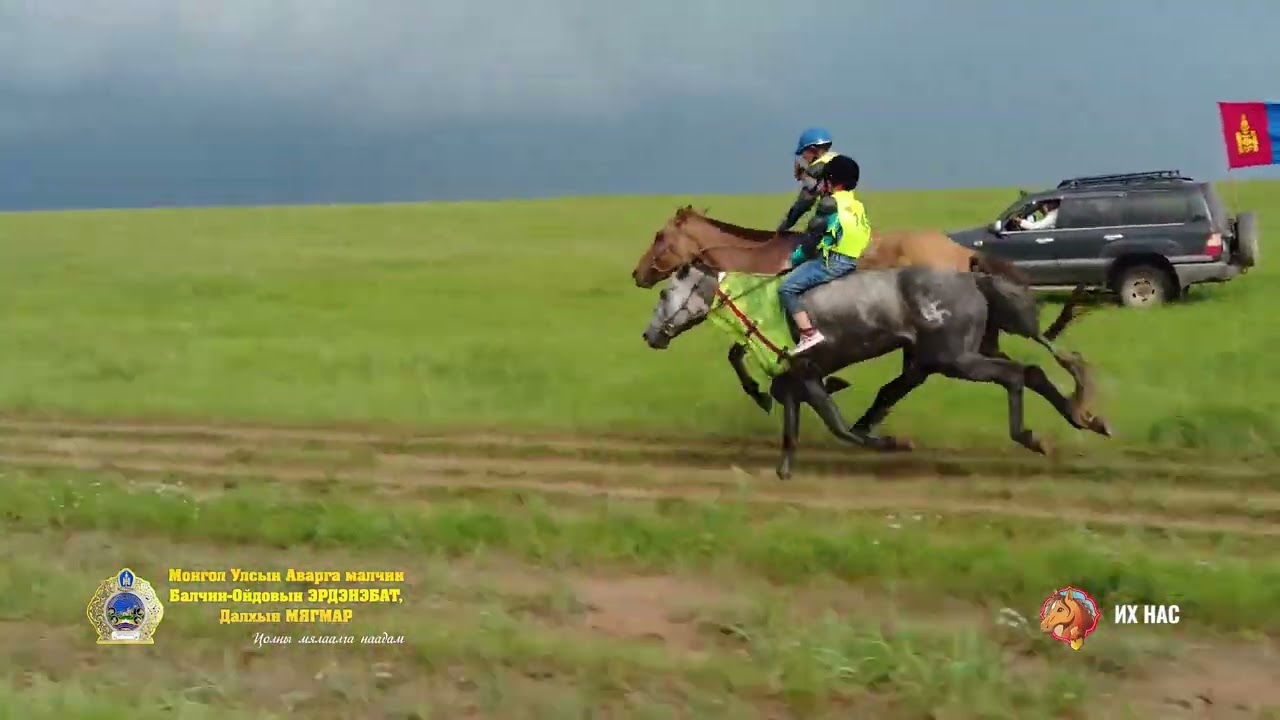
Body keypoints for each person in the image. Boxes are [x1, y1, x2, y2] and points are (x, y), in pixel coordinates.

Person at [778, 154, 871, 355]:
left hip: (833, 261)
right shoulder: (857, 206)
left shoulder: (829, 205)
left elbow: (811, 243)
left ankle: (808, 333)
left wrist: (791, 261)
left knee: (787, 288)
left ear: (830, 180)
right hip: (853, 258)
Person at [777, 127, 858, 233]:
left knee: (814, 227)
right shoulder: (839, 160)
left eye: (803, 152)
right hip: (853, 214)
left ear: (812, 149)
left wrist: (784, 227)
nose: (803, 157)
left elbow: (804, 203)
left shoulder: (815, 170)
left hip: (833, 216)